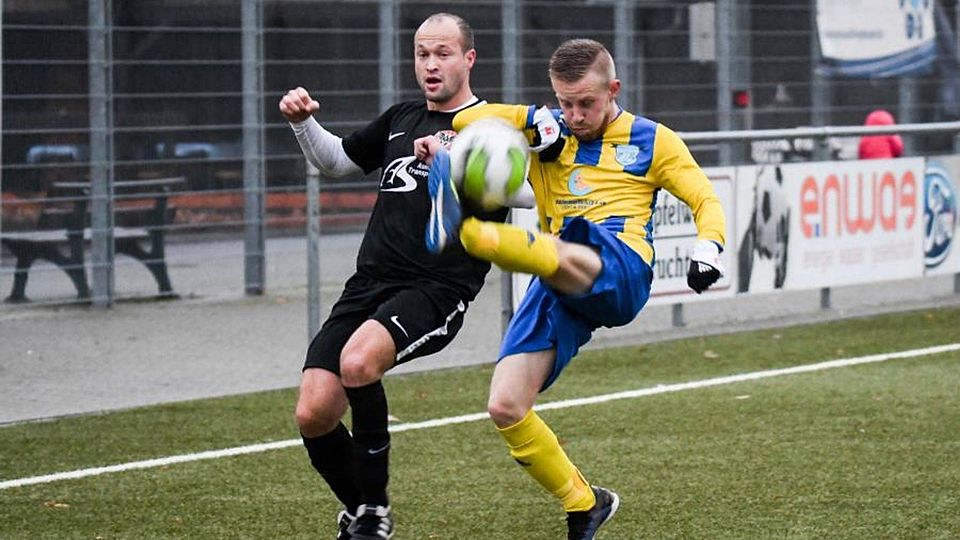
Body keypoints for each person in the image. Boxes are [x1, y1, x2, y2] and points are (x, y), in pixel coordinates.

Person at [416, 38, 727, 539]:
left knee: (570, 240)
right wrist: (532, 118)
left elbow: (703, 198)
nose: (576, 115)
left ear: (613, 89)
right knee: (505, 405)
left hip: (620, 267)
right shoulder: (548, 133)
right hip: (553, 271)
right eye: (565, 102)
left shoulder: (652, 139)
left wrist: (708, 247)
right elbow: (466, 117)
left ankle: (471, 231)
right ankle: (585, 503)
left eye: (587, 103)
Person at [279, 13, 509, 540]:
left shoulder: (491, 127)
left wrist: (454, 162)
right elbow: (337, 161)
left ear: (469, 58)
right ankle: (359, 510)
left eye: (443, 53)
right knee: (314, 412)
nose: (431, 64)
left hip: (435, 289)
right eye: (422, 54)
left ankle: (374, 515)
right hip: (368, 285)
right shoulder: (401, 117)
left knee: (359, 362)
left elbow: (516, 187)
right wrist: (302, 122)